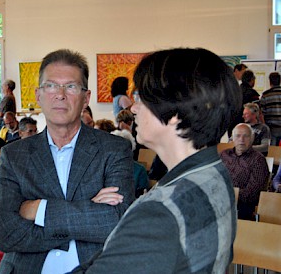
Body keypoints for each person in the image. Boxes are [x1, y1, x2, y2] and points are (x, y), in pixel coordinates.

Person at [71, 48, 240, 273]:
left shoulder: (158, 214)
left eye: (140, 97)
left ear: (174, 113)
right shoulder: (214, 170)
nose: (133, 107)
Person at [0, 49, 135, 274]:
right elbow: (4, 233)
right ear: (38, 95)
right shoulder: (14, 155)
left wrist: (40, 210)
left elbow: (116, 222)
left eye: (71, 86)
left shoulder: (114, 149)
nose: (60, 94)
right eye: (51, 86)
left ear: (86, 98)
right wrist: (87, 215)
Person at [221, 123, 269, 220]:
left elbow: (253, 193)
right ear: (232, 138)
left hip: (242, 207)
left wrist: (230, 194)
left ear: (252, 138)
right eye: (238, 136)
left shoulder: (258, 160)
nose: (241, 140)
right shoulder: (224, 155)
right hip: (219, 201)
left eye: (246, 136)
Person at [260, 72, 281, 145]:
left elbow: (262, 113)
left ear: (270, 82)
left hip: (271, 128)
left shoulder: (266, 94)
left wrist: (264, 127)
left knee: (272, 151)